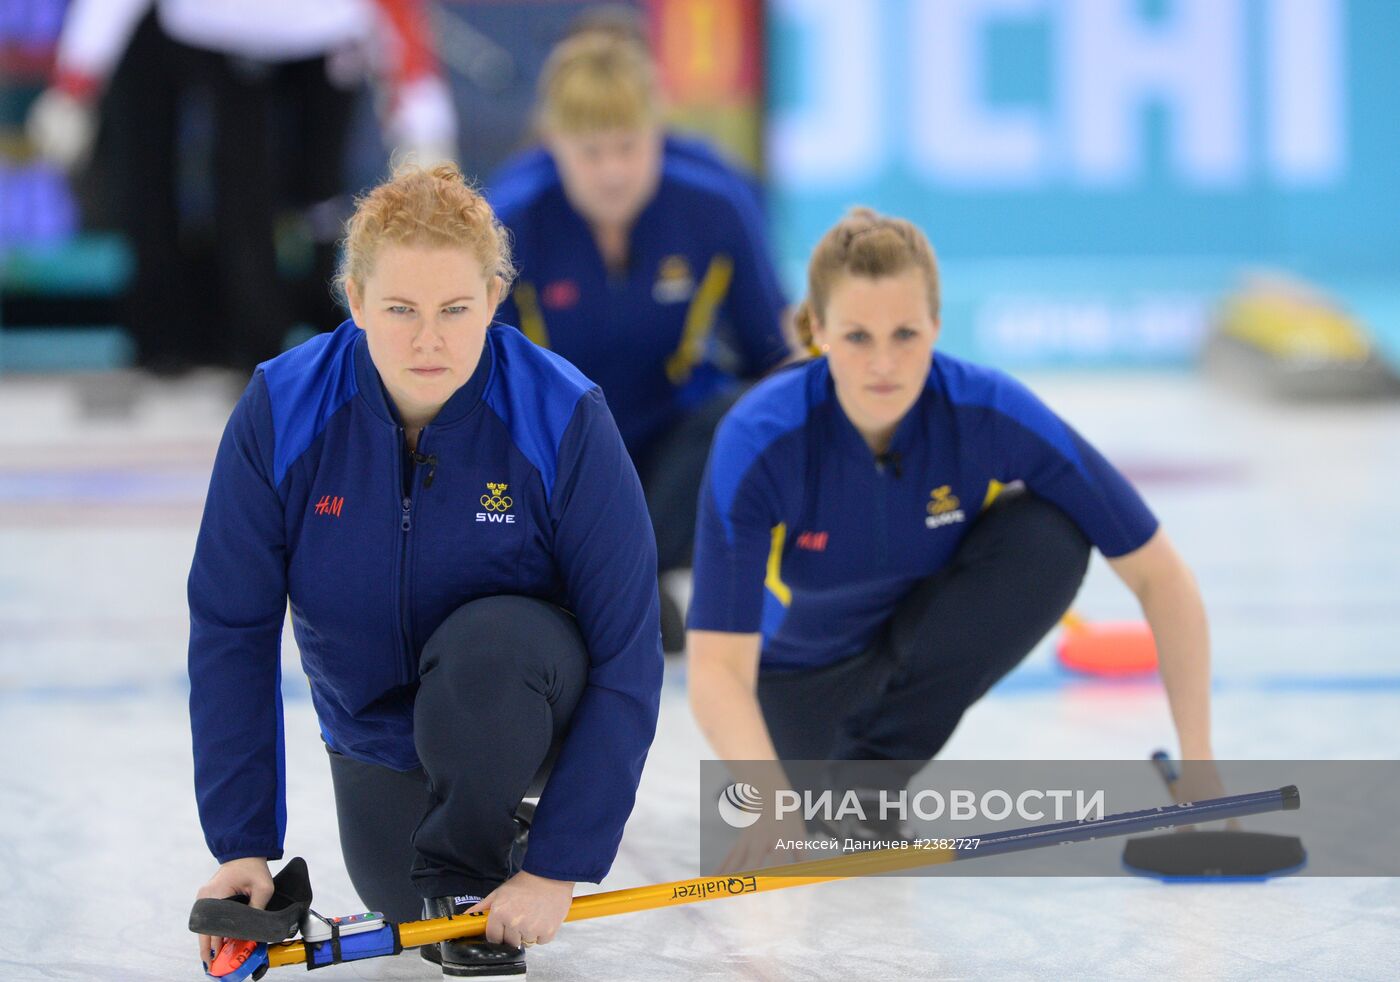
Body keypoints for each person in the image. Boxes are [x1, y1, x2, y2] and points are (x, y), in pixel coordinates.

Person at [187, 162, 663, 979]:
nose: (428, 340)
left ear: (495, 298)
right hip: (376, 730)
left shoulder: (564, 415)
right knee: (407, 904)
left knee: (488, 648)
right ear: (356, 299)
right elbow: (233, 629)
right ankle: (477, 841)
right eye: (401, 310)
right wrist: (242, 845)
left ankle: (497, 839)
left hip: (527, 698)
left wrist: (558, 865)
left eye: (455, 309)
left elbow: (630, 650)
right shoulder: (281, 409)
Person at [686, 209, 1217, 871]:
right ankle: (827, 789)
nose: (884, 363)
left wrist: (1200, 771)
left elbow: (1159, 574)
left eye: (906, 333)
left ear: (937, 324)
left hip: (912, 646)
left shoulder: (988, 411)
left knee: (1049, 533)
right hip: (799, 687)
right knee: (801, 796)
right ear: (817, 331)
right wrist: (772, 803)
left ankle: (872, 782)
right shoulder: (761, 439)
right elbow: (714, 667)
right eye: (857, 336)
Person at [486, 30, 792, 646]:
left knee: (755, 411)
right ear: (554, 143)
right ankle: (618, 587)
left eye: (629, 147)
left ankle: (606, 584)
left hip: (670, 450)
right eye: (590, 152)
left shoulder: (716, 205)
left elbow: (776, 354)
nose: (613, 171)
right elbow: (479, 379)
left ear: (660, 134)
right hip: (556, 451)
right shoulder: (509, 219)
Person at [28, 0, 456, 374]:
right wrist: (74, 87)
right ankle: (256, 343)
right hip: (224, 35)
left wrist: (422, 125)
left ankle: (333, 328)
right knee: (241, 193)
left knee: (321, 191)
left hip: (326, 31)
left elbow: (396, 12)